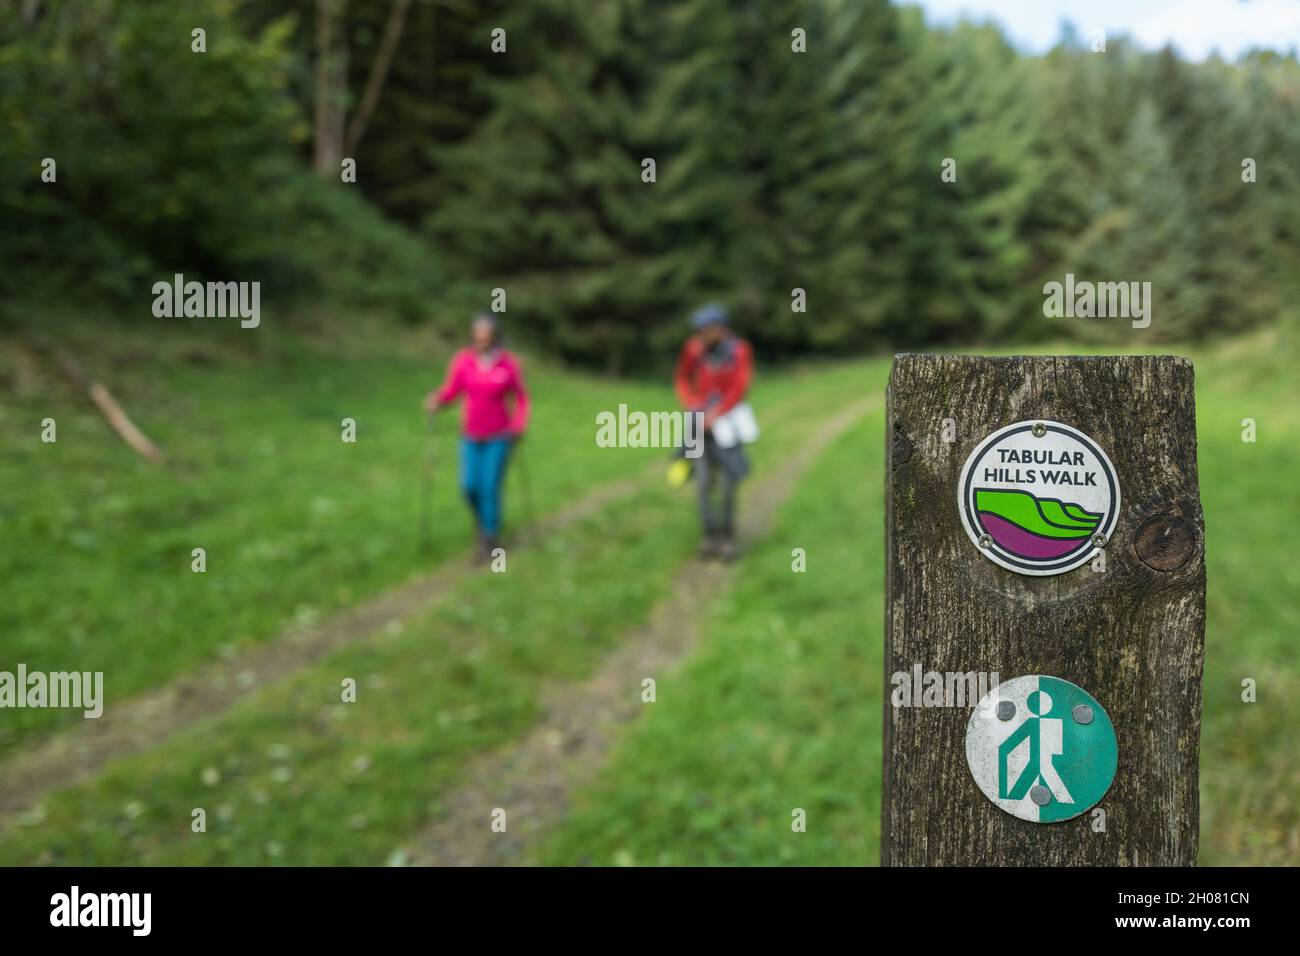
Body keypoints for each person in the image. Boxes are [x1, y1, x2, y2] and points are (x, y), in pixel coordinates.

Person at [425, 314, 530, 561]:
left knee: (490, 487)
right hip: (470, 436)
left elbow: (522, 398)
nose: (481, 338)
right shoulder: (463, 362)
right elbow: (451, 391)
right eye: (477, 333)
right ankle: (484, 524)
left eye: (486, 334)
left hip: (500, 436)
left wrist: (519, 425)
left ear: (495, 336)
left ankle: (489, 540)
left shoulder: (508, 364)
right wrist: (437, 401)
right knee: (469, 487)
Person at [674, 303, 753, 561]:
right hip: (698, 423)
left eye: (706, 329)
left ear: (720, 329)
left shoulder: (739, 350)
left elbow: (740, 386)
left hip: (726, 424)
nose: (701, 334)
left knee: (730, 480)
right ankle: (710, 536)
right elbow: (682, 379)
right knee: (704, 481)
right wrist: (693, 405)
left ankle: (728, 537)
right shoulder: (693, 349)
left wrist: (717, 413)